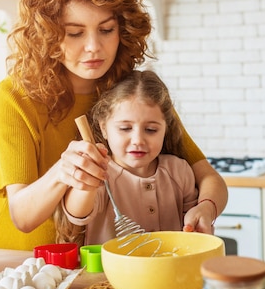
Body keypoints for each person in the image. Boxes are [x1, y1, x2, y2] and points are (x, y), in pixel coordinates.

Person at [0, 0, 228, 250]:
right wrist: (63, 171)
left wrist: (206, 208)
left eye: (106, 30)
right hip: (13, 258)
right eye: (75, 33)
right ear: (48, 35)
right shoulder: (17, 95)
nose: (94, 46)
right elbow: (22, 216)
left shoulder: (127, 93)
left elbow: (208, 176)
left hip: (87, 265)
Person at [60, 70, 200, 245]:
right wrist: (89, 180)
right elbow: (77, 214)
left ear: (165, 129)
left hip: (169, 271)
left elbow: (194, 228)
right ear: (104, 128)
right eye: (125, 128)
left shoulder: (179, 171)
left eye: (151, 130)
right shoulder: (100, 172)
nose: (138, 140)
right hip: (110, 272)